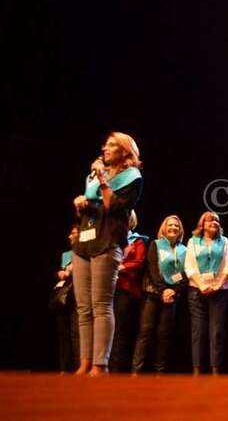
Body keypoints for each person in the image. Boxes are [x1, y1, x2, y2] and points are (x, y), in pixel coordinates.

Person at [72, 131, 142, 376]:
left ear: (125, 151)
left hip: (108, 240)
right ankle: (84, 363)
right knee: (84, 307)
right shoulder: (92, 177)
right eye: (105, 145)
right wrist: (81, 203)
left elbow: (114, 206)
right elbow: (93, 206)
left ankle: (100, 364)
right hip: (85, 240)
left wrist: (102, 178)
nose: (105, 148)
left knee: (101, 304)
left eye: (112, 145)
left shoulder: (132, 177)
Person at [132, 215, 187, 374]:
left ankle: (159, 373)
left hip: (172, 296)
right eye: (170, 225)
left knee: (164, 334)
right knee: (145, 331)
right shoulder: (155, 244)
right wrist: (163, 290)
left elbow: (186, 274)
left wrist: (173, 291)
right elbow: (152, 269)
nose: (173, 228)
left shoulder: (184, 250)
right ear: (164, 228)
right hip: (153, 293)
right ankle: (135, 372)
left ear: (180, 230)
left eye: (176, 226)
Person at [185, 211, 228, 375]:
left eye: (217, 220)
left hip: (220, 290)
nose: (214, 222)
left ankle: (215, 369)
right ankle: (197, 369)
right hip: (197, 290)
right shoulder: (193, 241)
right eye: (210, 220)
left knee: (216, 331)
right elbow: (189, 266)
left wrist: (217, 285)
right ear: (202, 224)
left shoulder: (224, 241)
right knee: (198, 331)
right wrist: (201, 285)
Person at [109, 211, 147, 372]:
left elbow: (139, 261)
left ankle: (114, 369)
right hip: (107, 288)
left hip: (125, 289)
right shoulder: (109, 238)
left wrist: (120, 267)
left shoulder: (137, 240)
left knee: (119, 330)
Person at [53, 225, 80, 373]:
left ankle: (79, 368)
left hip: (78, 296)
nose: (70, 236)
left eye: (73, 233)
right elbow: (59, 271)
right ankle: (64, 369)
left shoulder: (85, 253)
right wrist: (60, 273)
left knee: (76, 333)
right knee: (63, 333)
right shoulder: (66, 255)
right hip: (64, 296)